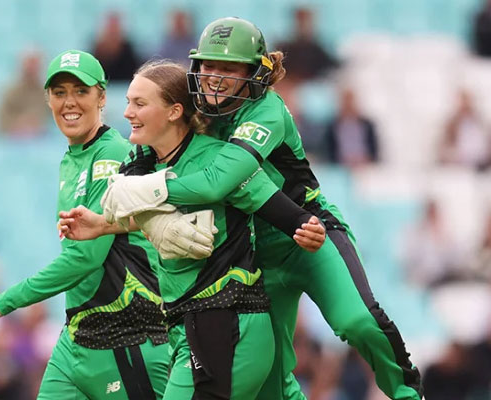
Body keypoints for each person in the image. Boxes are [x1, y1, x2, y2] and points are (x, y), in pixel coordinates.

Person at [99, 17, 423, 400]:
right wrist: (117, 200)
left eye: (229, 68)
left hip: (307, 234)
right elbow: (133, 166)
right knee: (274, 378)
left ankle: (407, 393)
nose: (215, 77)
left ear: (254, 73)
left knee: (358, 321)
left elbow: (220, 182)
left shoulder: (266, 109)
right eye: (209, 66)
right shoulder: (193, 110)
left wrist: (144, 191)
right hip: (253, 255)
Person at [61, 59, 328, 399]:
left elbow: (289, 216)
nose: (127, 112)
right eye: (128, 102)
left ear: (174, 111)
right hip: (185, 327)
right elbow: (122, 196)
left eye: (139, 103)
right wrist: (103, 225)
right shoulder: (142, 162)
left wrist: (308, 230)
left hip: (231, 323)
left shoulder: (218, 162)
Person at [0, 50, 210, 400]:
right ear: (47, 98)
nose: (69, 102)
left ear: (102, 97)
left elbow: (85, 258)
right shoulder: (73, 159)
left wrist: (5, 302)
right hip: (77, 339)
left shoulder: (111, 155)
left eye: (81, 91)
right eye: (59, 92)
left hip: (126, 335)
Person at [0, 49, 50, 138]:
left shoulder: (47, 93)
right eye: (29, 64)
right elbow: (0, 124)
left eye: (35, 65)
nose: (31, 69)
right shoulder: (10, 93)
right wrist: (20, 125)